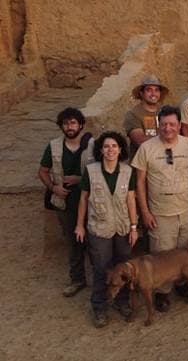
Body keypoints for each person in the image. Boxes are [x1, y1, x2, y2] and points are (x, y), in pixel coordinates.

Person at [131, 105, 188, 311]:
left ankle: (182, 285)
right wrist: (144, 212)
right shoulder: (147, 148)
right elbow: (140, 183)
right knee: (161, 256)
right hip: (160, 213)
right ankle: (162, 292)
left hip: (186, 210)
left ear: (179, 125)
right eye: (163, 124)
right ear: (158, 125)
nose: (168, 128)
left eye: (172, 124)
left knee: (184, 252)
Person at [74, 131, 138, 328]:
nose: (110, 150)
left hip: (123, 227)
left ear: (120, 150)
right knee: (101, 268)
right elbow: (84, 198)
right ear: (100, 150)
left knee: (124, 268)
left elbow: (130, 199)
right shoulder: (91, 170)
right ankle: (100, 307)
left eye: (114, 146)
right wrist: (79, 225)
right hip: (99, 227)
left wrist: (134, 227)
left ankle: (122, 302)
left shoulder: (127, 171)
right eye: (106, 146)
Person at [38, 107, 95, 298]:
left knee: (96, 242)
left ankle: (100, 281)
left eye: (73, 123)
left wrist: (80, 180)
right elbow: (43, 171)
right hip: (65, 203)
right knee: (73, 243)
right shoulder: (54, 146)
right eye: (65, 123)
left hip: (91, 202)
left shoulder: (92, 145)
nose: (69, 127)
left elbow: (102, 169)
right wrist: (53, 188)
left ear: (80, 124)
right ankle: (77, 279)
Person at [123, 75, 169, 160]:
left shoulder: (165, 111)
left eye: (156, 90)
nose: (153, 94)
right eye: (149, 90)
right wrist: (168, 138)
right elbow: (140, 141)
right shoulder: (133, 114)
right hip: (143, 163)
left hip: (164, 161)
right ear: (141, 93)